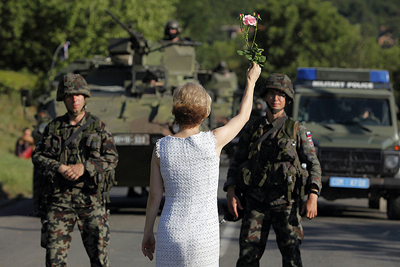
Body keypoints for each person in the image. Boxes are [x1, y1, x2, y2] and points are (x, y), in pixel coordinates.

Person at [142, 63, 261, 266]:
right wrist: (251, 81)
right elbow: (243, 117)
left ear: (175, 110)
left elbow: (154, 196)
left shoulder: (161, 147)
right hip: (203, 236)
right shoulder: (213, 141)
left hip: (170, 233)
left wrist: (147, 233)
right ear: (205, 113)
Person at [224, 73, 322, 267]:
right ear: (265, 96)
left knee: (292, 258)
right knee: (247, 258)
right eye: (272, 94)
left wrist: (313, 196)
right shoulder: (252, 129)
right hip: (255, 203)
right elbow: (236, 162)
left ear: (287, 98)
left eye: (281, 94)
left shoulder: (296, 129)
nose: (276, 98)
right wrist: (231, 192)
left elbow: (314, 165)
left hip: (286, 203)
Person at [32, 74, 118, 267]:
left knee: (99, 260)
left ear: (85, 97)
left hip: (91, 201)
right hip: (59, 202)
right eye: (70, 95)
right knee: (54, 261)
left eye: (79, 95)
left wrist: (85, 167)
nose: (74, 99)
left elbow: (112, 159)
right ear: (63, 98)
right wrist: (59, 167)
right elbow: (37, 157)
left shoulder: (99, 127)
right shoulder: (53, 128)